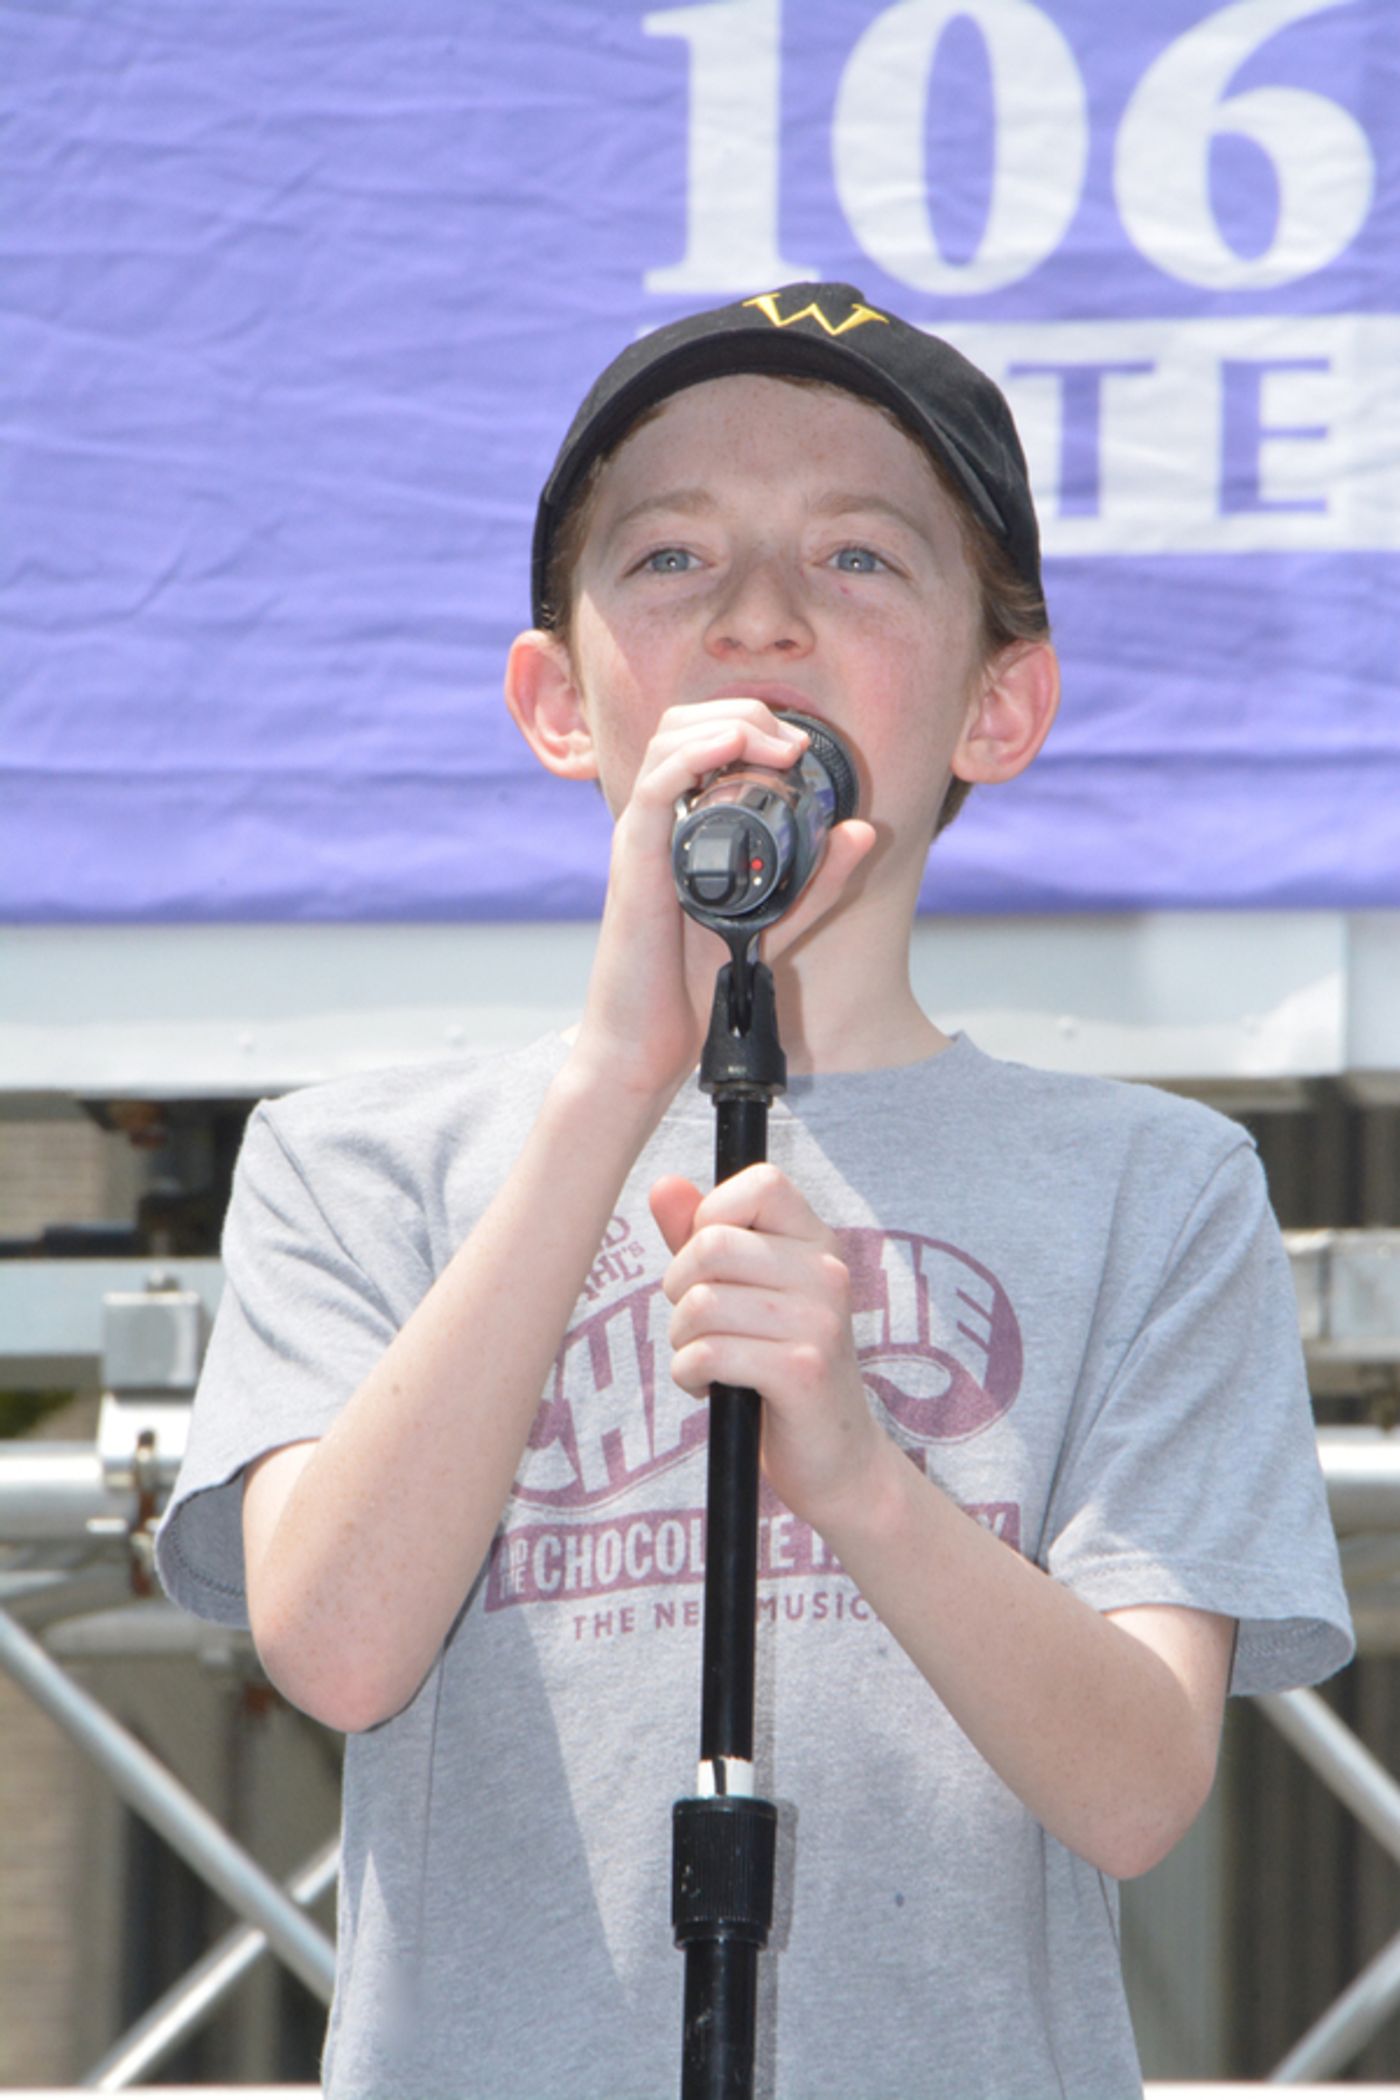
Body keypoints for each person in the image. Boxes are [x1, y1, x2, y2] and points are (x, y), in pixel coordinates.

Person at [157, 283, 1353, 2099]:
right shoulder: (357, 1162)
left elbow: (1135, 1789)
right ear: (555, 701)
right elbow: (333, 1645)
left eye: (859, 557)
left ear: (1002, 702)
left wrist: (863, 1475)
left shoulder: (1154, 1190)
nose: (758, 615)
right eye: (671, 558)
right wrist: (610, 1086)